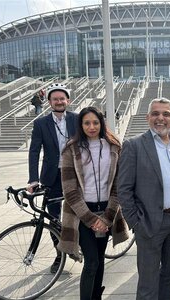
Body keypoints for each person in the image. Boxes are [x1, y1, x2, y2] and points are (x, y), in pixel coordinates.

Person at [118, 97, 170, 300]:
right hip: (150, 222)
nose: (160, 118)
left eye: (165, 114)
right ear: (148, 117)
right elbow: (124, 189)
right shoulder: (134, 145)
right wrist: (136, 223)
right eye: (155, 113)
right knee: (148, 281)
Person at [58, 106, 129, 300]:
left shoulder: (114, 147)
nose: (91, 127)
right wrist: (90, 219)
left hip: (106, 210)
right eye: (87, 123)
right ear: (80, 125)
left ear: (101, 123)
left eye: (95, 122)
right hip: (81, 212)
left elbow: (118, 185)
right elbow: (70, 190)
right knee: (91, 262)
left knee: (98, 259)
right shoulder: (71, 149)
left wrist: (106, 218)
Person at [27, 83, 78, 273]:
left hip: (75, 174)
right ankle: (60, 255)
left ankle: (83, 247)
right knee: (53, 217)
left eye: (62, 98)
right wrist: (33, 179)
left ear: (68, 101)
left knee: (81, 211)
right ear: (49, 102)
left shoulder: (77, 119)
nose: (59, 101)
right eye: (55, 99)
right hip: (52, 176)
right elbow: (34, 152)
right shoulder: (40, 123)